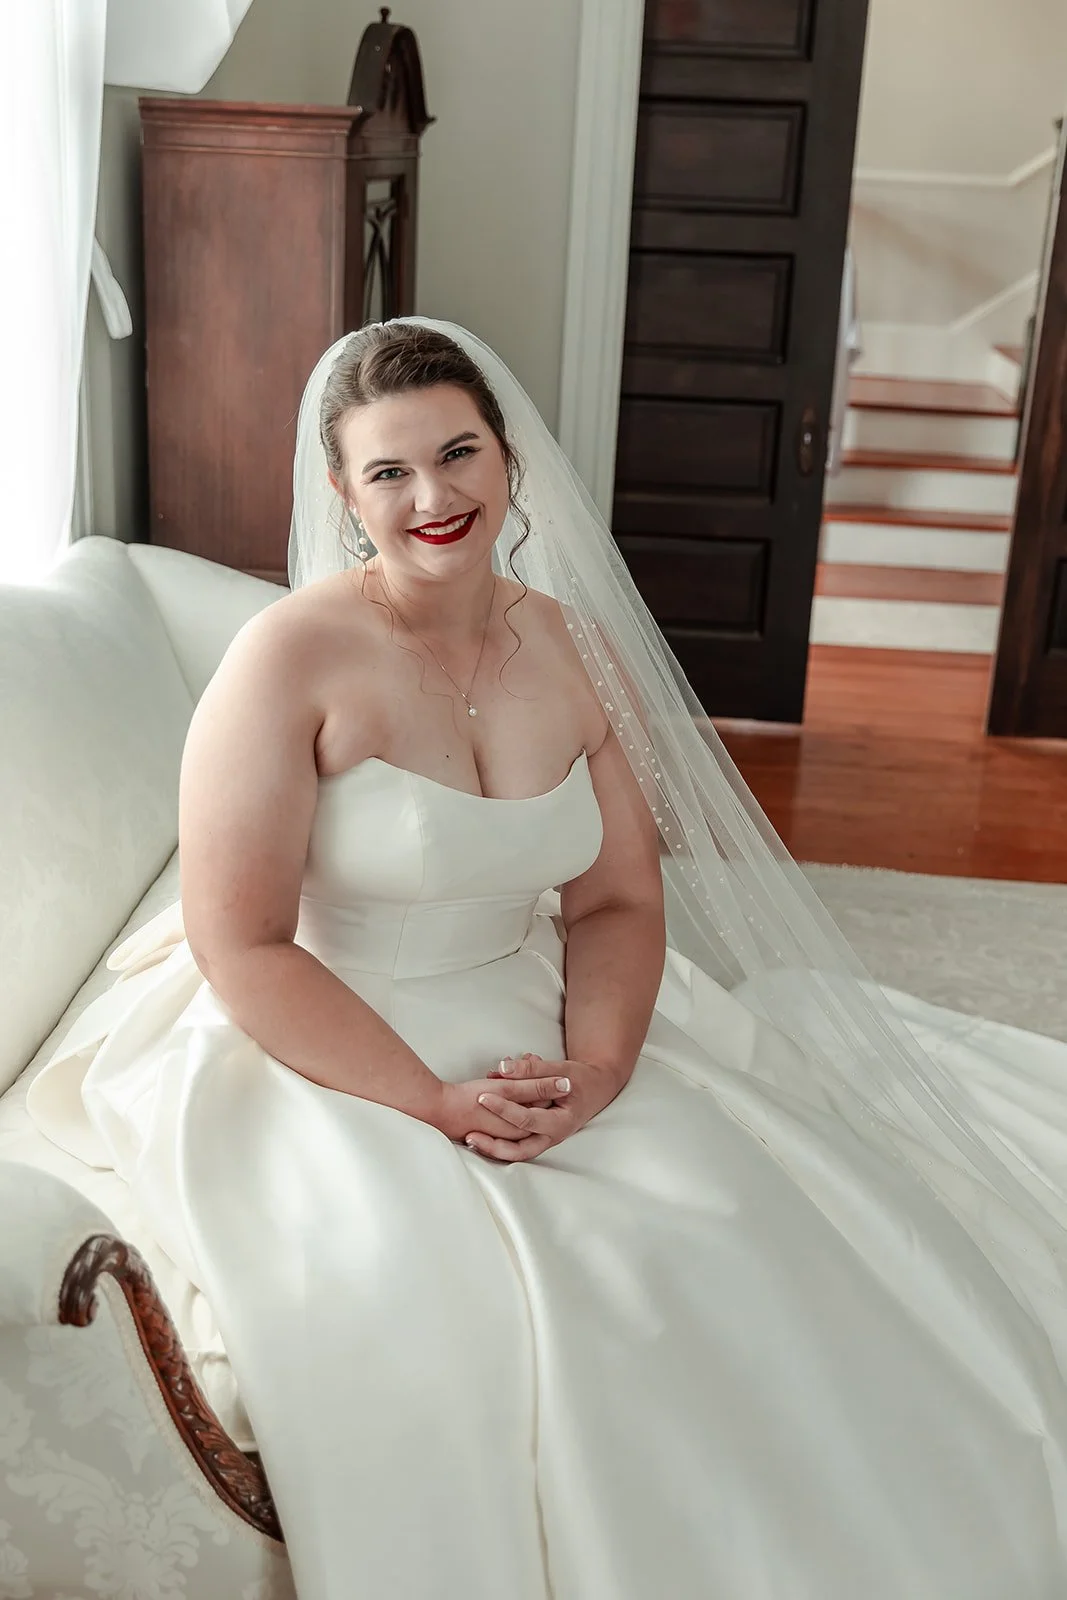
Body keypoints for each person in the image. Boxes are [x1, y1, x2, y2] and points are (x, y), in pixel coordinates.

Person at [27, 319, 1067, 1599]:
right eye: (390, 472)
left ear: (508, 459)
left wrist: (601, 1064)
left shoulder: (575, 646)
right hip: (318, 1029)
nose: (434, 496)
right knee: (474, 1312)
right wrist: (433, 1100)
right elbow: (236, 938)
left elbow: (619, 897)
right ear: (344, 496)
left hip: (534, 1010)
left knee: (732, 1232)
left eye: (458, 453)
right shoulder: (286, 658)